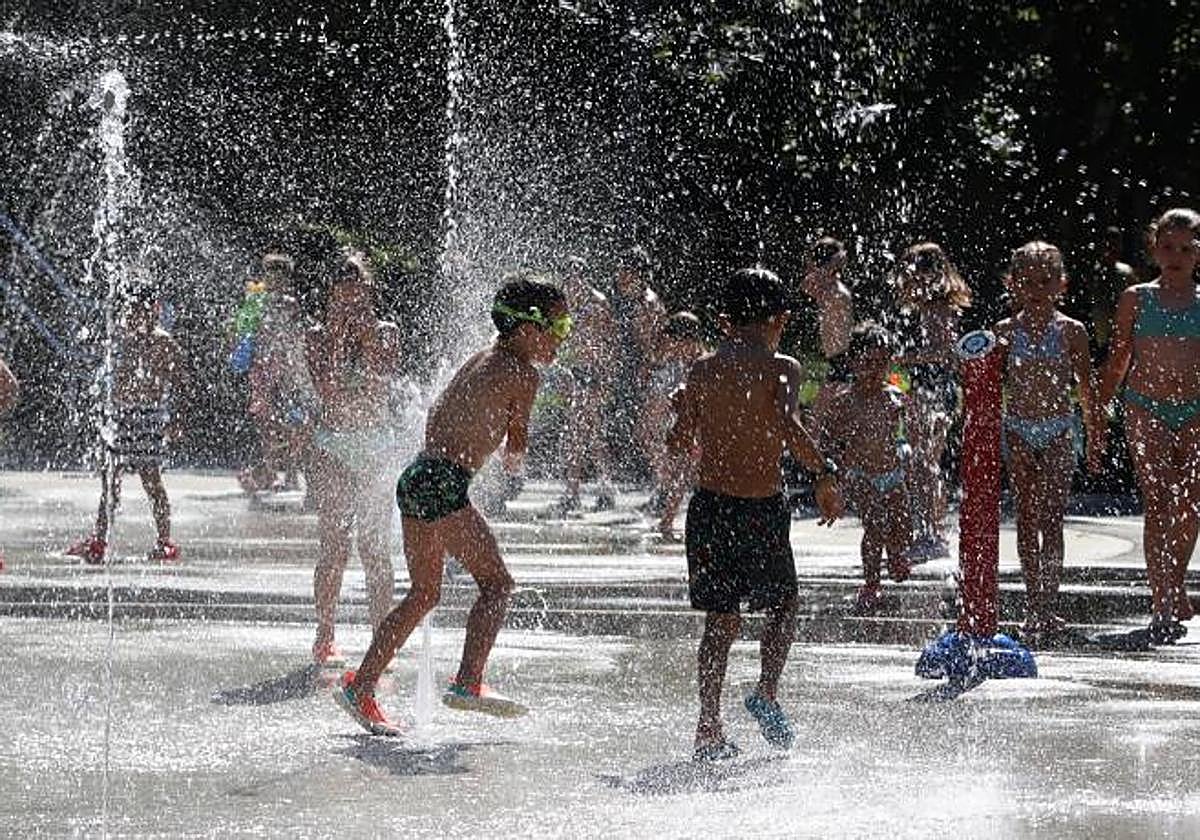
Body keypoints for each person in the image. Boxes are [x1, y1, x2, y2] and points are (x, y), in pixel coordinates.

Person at [335, 276, 570, 735]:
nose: (562, 338)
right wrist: (509, 452)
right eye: (559, 327)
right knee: (497, 585)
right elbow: (515, 453)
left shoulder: (479, 358)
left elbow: (437, 414)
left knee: (424, 594)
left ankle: (361, 687)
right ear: (528, 329)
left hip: (417, 476)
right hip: (444, 484)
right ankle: (468, 682)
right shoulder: (525, 375)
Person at [667, 267, 843, 761]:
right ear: (779, 319)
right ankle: (766, 691)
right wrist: (823, 475)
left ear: (724, 321)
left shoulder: (701, 371)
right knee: (783, 605)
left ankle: (708, 726)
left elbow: (677, 445)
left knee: (720, 621)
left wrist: (680, 410)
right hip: (762, 508)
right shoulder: (782, 367)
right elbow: (787, 424)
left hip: (711, 508)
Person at [1100, 208, 1200, 644]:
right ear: (1153, 249)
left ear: (1198, 254)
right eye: (1168, 247)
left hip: (1194, 409)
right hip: (1146, 407)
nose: (1176, 256)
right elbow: (1119, 357)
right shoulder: (1136, 298)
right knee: (1158, 500)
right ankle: (1162, 599)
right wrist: (1099, 411)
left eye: (1186, 249)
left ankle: (1175, 580)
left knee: (1190, 503)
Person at [996, 242, 1102, 637]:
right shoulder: (1005, 332)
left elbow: (1086, 390)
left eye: (1045, 281)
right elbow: (991, 389)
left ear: (1061, 284)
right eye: (1027, 281)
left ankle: (1049, 603)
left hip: (1058, 429)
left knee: (1053, 518)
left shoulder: (1072, 331)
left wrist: (1095, 437)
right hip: (1019, 429)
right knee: (1026, 516)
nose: (1036, 289)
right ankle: (1032, 602)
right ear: (1012, 284)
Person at [306, 251, 404, 666]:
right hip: (333, 446)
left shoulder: (386, 331)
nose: (350, 298)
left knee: (374, 547)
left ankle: (382, 639)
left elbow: (379, 383)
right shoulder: (317, 335)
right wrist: (338, 336)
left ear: (369, 290)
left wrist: (362, 338)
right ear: (331, 294)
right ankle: (325, 635)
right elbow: (327, 390)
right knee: (334, 546)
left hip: (376, 448)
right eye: (342, 289)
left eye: (357, 288)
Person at [64, 286, 186, 563]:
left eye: (143, 310)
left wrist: (178, 418)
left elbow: (181, 383)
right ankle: (100, 539)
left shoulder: (163, 343)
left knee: (151, 480)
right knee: (111, 481)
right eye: (131, 310)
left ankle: (164, 540)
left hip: (148, 418)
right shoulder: (120, 337)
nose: (134, 316)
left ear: (154, 310)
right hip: (120, 418)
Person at [815, 322, 912, 615]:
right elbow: (827, 439)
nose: (874, 370)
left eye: (881, 364)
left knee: (902, 522)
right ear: (852, 363)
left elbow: (906, 432)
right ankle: (871, 583)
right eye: (868, 363)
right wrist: (833, 473)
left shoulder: (893, 397)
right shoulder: (845, 402)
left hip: (892, 473)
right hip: (860, 475)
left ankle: (896, 553)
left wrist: (908, 434)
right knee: (874, 525)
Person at [893, 242, 972, 562]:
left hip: (935, 390)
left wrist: (904, 358)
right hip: (931, 389)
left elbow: (945, 352)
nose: (907, 279)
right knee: (922, 462)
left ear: (926, 274)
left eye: (912, 271)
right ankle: (928, 531)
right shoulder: (934, 306)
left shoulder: (938, 309)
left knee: (925, 463)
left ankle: (933, 534)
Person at [244, 253, 318, 496]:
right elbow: (244, 331)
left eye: (281, 276)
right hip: (263, 369)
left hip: (286, 369)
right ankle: (272, 472)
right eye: (271, 275)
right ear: (265, 277)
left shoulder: (291, 304)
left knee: (293, 422)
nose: (275, 280)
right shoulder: (255, 301)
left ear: (287, 280)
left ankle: (292, 472)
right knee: (266, 423)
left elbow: (297, 336)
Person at [556, 257, 618, 513]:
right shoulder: (565, 304)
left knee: (577, 434)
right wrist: (564, 374)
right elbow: (563, 341)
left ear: (583, 279)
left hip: (594, 374)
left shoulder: (597, 304)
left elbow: (610, 345)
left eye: (576, 278)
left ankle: (575, 493)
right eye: (568, 280)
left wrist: (606, 380)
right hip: (578, 372)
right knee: (590, 435)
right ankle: (604, 487)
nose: (572, 284)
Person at [611, 246, 666, 491]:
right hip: (651, 373)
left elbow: (652, 349)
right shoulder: (638, 301)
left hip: (657, 374)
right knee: (648, 434)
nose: (618, 276)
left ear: (636, 274)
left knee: (646, 433)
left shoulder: (646, 304)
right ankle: (663, 487)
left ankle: (667, 487)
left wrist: (645, 373)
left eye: (623, 270)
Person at [648, 311, 707, 539]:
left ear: (687, 341)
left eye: (674, 343)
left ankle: (667, 522)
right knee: (685, 472)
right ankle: (669, 521)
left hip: (709, 430)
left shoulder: (701, 364)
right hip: (700, 429)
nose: (671, 349)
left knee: (684, 471)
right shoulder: (689, 362)